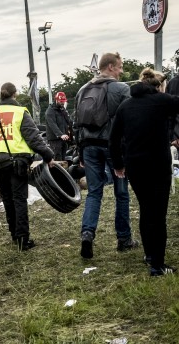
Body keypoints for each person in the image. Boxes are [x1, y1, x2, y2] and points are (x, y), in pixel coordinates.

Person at [110, 68, 179, 276]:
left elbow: (113, 139)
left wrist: (118, 164)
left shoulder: (125, 106)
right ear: (158, 85)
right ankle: (157, 266)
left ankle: (150, 255)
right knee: (158, 215)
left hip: (135, 166)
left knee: (146, 209)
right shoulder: (163, 101)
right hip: (158, 165)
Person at [74, 52, 138, 259]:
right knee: (121, 193)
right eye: (119, 67)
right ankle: (124, 238)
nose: (121, 72)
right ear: (110, 67)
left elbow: (76, 124)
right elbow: (130, 120)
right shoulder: (121, 89)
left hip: (89, 147)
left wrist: (80, 150)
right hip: (113, 148)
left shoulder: (82, 90)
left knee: (94, 193)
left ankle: (87, 233)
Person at [0, 82, 54, 251]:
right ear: (15, 95)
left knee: (7, 199)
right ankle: (23, 239)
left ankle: (14, 234)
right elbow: (33, 138)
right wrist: (48, 155)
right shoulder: (20, 112)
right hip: (17, 161)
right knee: (19, 199)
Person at [45, 91, 73, 161]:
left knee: (63, 159)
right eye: (61, 101)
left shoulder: (62, 109)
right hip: (55, 139)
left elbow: (69, 121)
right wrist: (60, 134)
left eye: (63, 101)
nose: (62, 103)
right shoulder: (50, 111)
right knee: (57, 158)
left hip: (64, 138)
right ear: (56, 100)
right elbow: (52, 124)